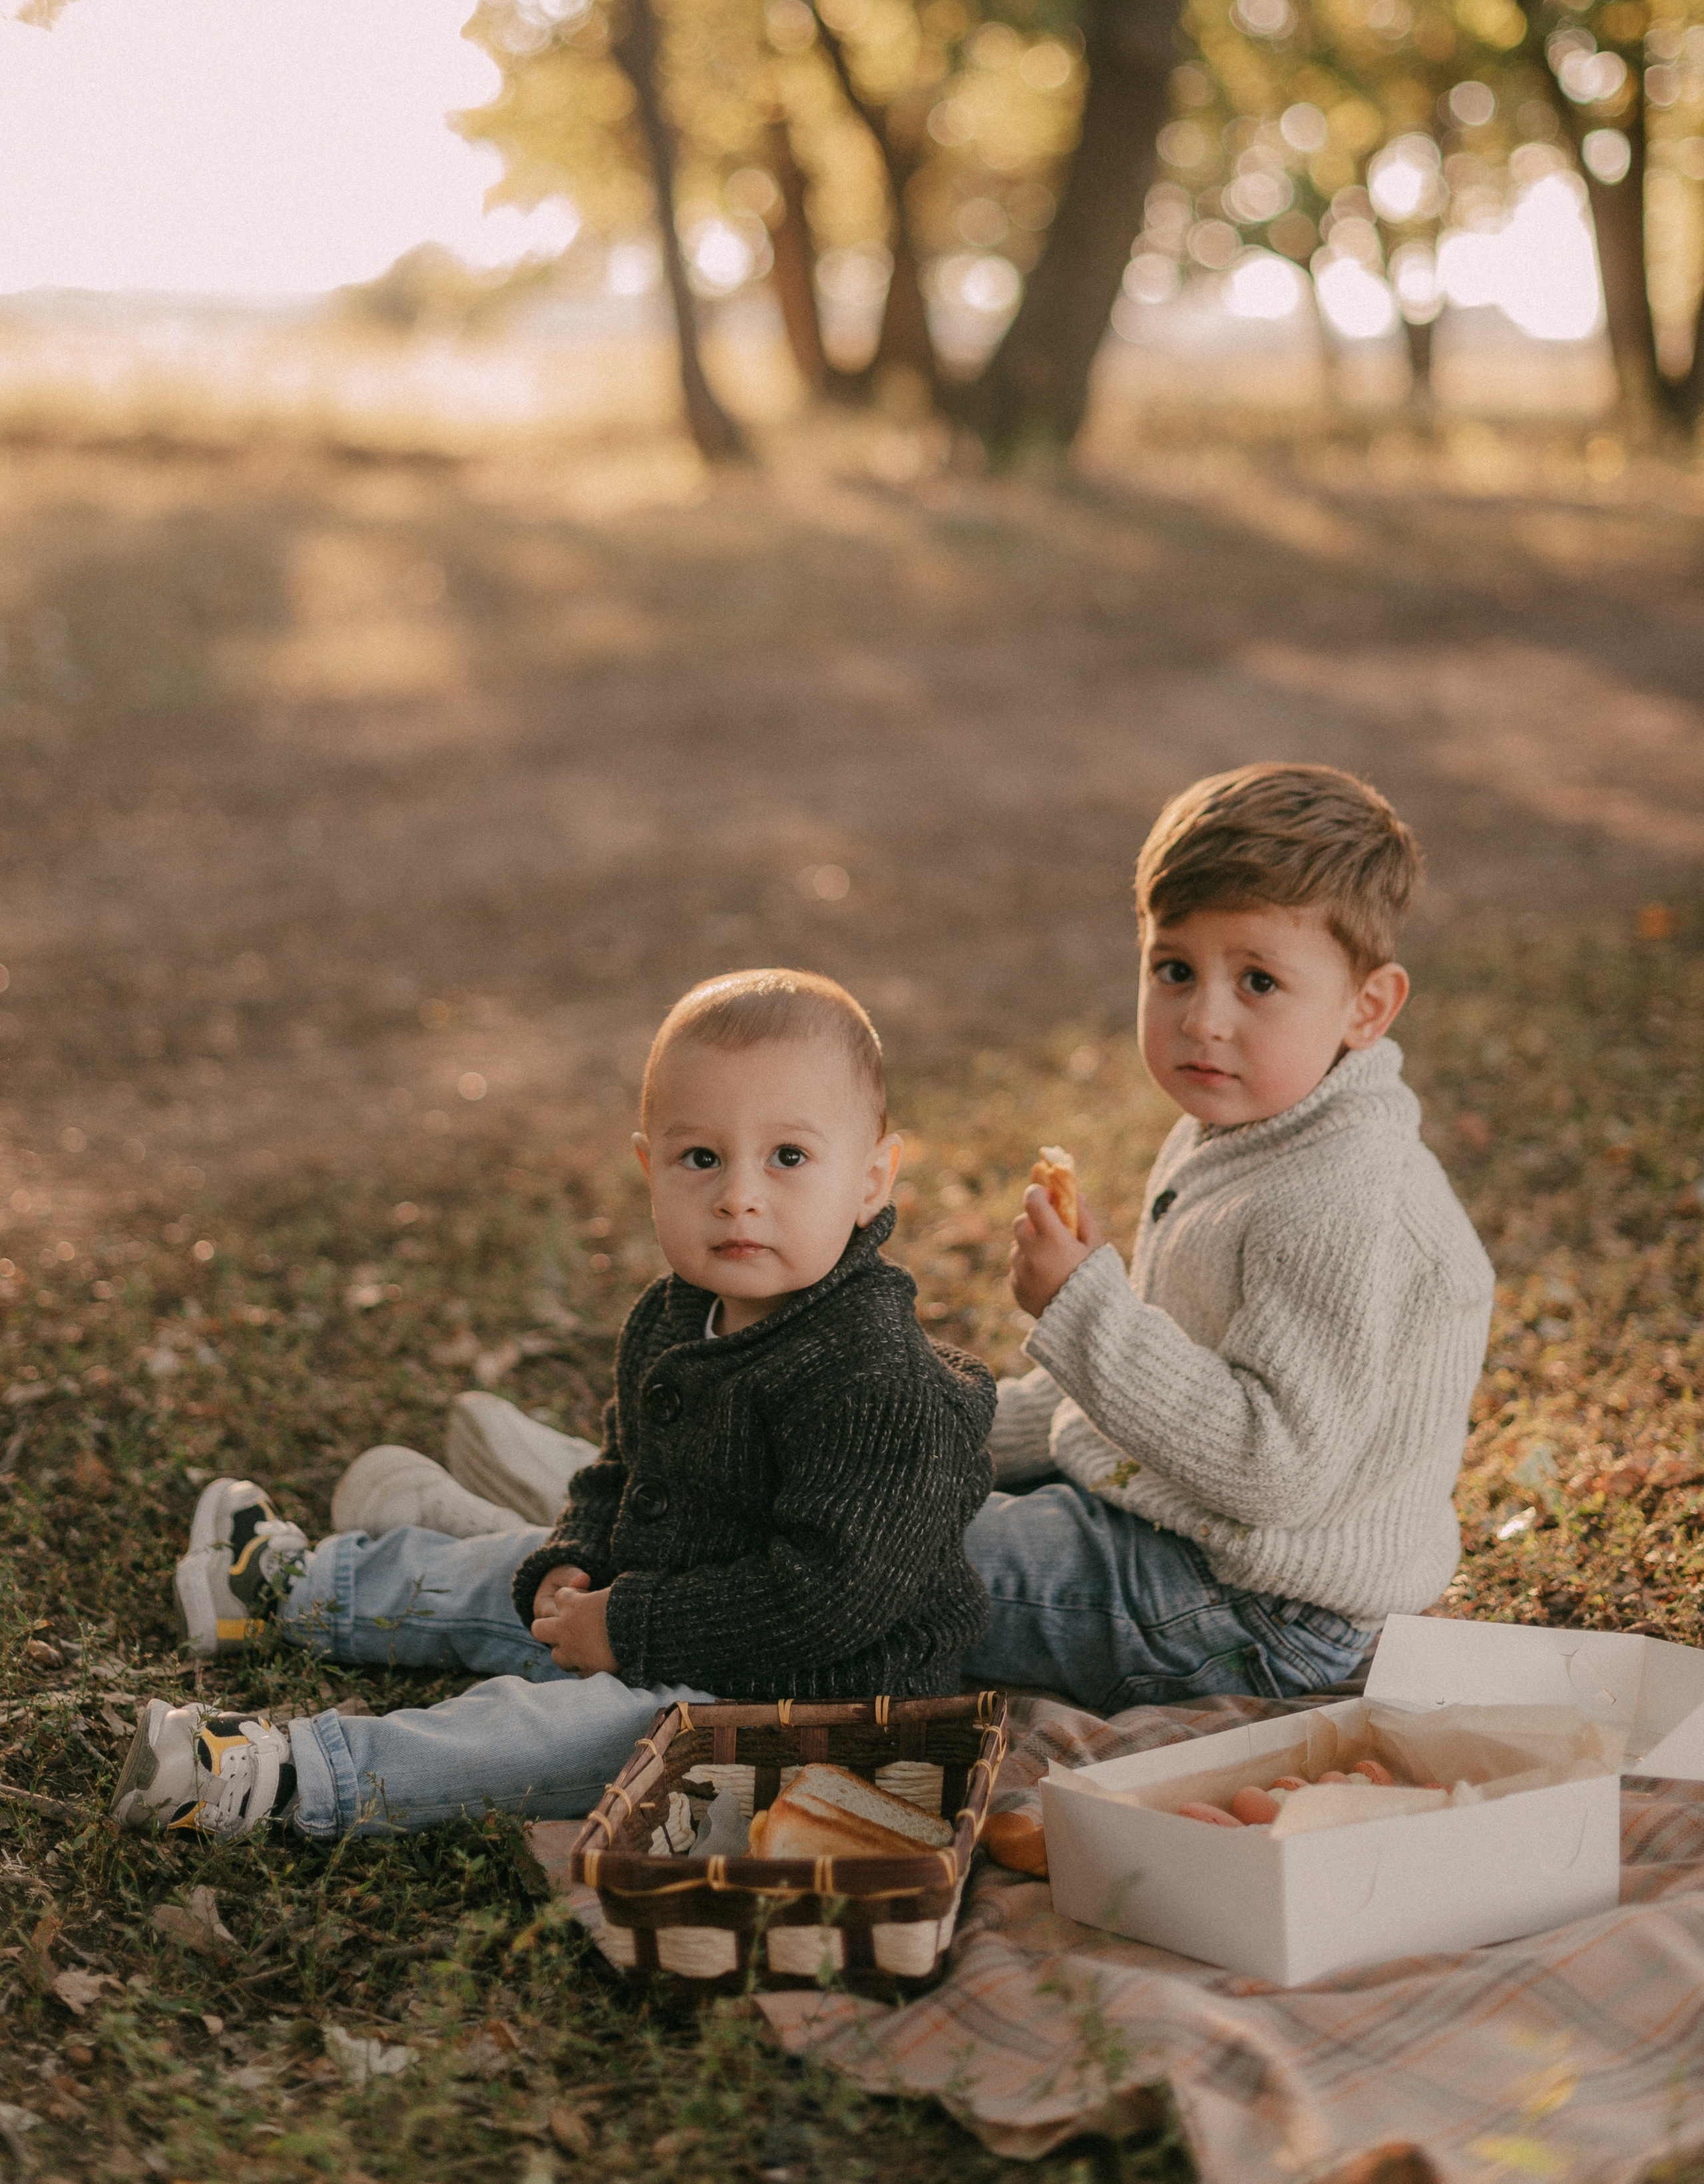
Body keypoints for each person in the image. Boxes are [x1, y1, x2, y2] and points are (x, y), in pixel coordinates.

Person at [112, 970, 996, 1845]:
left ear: (874, 1178)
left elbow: (828, 1600)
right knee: (504, 1568)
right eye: (702, 1157)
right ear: (651, 1166)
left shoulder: (878, 1379)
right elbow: (619, 1470)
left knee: (557, 1732)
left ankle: (285, 1774)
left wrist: (630, 1624)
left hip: (809, 1712)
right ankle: (286, 1590)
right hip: (671, 1606)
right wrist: (575, 1557)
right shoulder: (676, 1314)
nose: (739, 1194)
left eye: (789, 1157)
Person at [960, 760, 1495, 1710]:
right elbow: (1156, 1391)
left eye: (1258, 980)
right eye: (1175, 969)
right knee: (880, 1485)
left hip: (1263, 1614)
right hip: (1187, 1537)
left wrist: (1083, 1310)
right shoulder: (1255, 1124)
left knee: (888, 1555)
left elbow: (1265, 1467)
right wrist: (943, 1438)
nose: (1204, 1019)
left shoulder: (1344, 1198)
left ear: (1367, 1007)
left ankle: (657, 1612)